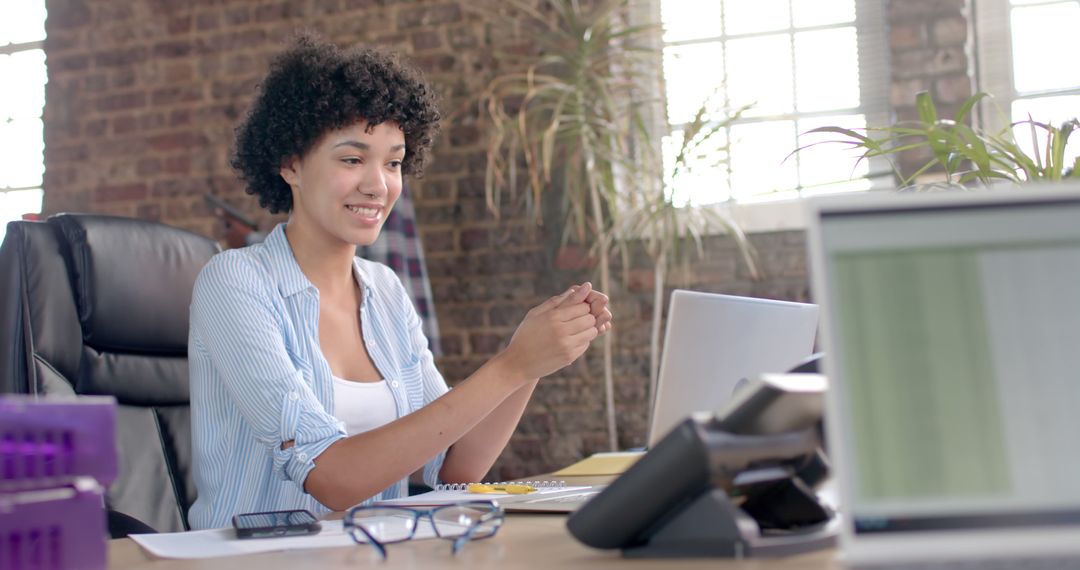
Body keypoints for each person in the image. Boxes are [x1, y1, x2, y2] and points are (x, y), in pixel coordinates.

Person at [187, 34, 612, 530]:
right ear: (291, 164)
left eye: (393, 162)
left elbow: (453, 467)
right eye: (352, 159)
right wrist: (508, 365)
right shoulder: (235, 282)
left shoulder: (384, 291)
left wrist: (531, 363)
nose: (379, 184)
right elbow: (331, 476)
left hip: (369, 555)